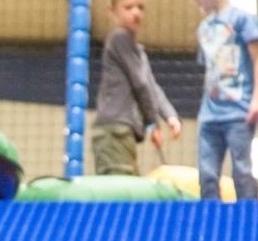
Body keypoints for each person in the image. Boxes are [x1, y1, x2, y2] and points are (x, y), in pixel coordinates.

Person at [91, 0, 182, 175]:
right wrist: (153, 123)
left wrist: (170, 116)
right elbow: (141, 84)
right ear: (113, 12)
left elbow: (151, 86)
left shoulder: (138, 51)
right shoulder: (119, 38)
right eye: (128, 7)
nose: (136, 13)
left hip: (121, 132)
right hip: (113, 131)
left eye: (140, 7)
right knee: (119, 188)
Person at [194, 0, 258, 199]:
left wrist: (256, 98)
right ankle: (210, 221)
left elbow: (256, 58)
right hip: (209, 114)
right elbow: (210, 70)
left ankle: (248, 220)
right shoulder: (204, 28)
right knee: (207, 174)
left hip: (239, 111)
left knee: (242, 172)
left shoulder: (241, 19)